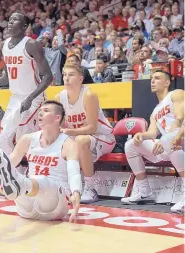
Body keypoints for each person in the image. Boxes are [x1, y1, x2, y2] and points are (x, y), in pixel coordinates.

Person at [0, 100, 85, 221]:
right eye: (39, 111)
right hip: (27, 207)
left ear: (57, 118)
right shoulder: (27, 139)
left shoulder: (68, 143)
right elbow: (10, 162)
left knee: (40, 181)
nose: (40, 114)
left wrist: (76, 192)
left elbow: (74, 173)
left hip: (55, 205)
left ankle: (16, 183)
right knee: (17, 179)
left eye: (46, 111)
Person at [0, 11, 53, 156]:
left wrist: (30, 98)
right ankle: (17, 173)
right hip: (15, 98)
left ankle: (32, 173)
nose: (10, 22)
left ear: (25, 26)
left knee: (24, 137)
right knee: (3, 140)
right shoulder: (4, 45)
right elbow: (7, 78)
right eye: (9, 19)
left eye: (15, 20)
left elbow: (48, 77)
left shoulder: (32, 45)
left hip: (33, 97)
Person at [121, 70, 184, 213]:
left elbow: (181, 119)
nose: (152, 81)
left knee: (168, 140)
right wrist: (141, 135)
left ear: (167, 82)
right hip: (166, 145)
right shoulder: (156, 110)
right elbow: (152, 132)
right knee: (131, 145)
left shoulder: (176, 94)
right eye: (151, 79)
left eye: (157, 78)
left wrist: (166, 137)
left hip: (181, 139)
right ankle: (143, 191)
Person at [55, 64, 116, 204]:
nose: (66, 78)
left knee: (80, 140)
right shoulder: (59, 97)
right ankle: (62, 185)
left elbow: (93, 128)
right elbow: (60, 127)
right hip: (78, 138)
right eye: (64, 75)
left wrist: (70, 132)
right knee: (61, 142)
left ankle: (90, 188)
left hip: (103, 137)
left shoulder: (88, 95)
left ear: (81, 78)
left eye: (71, 75)